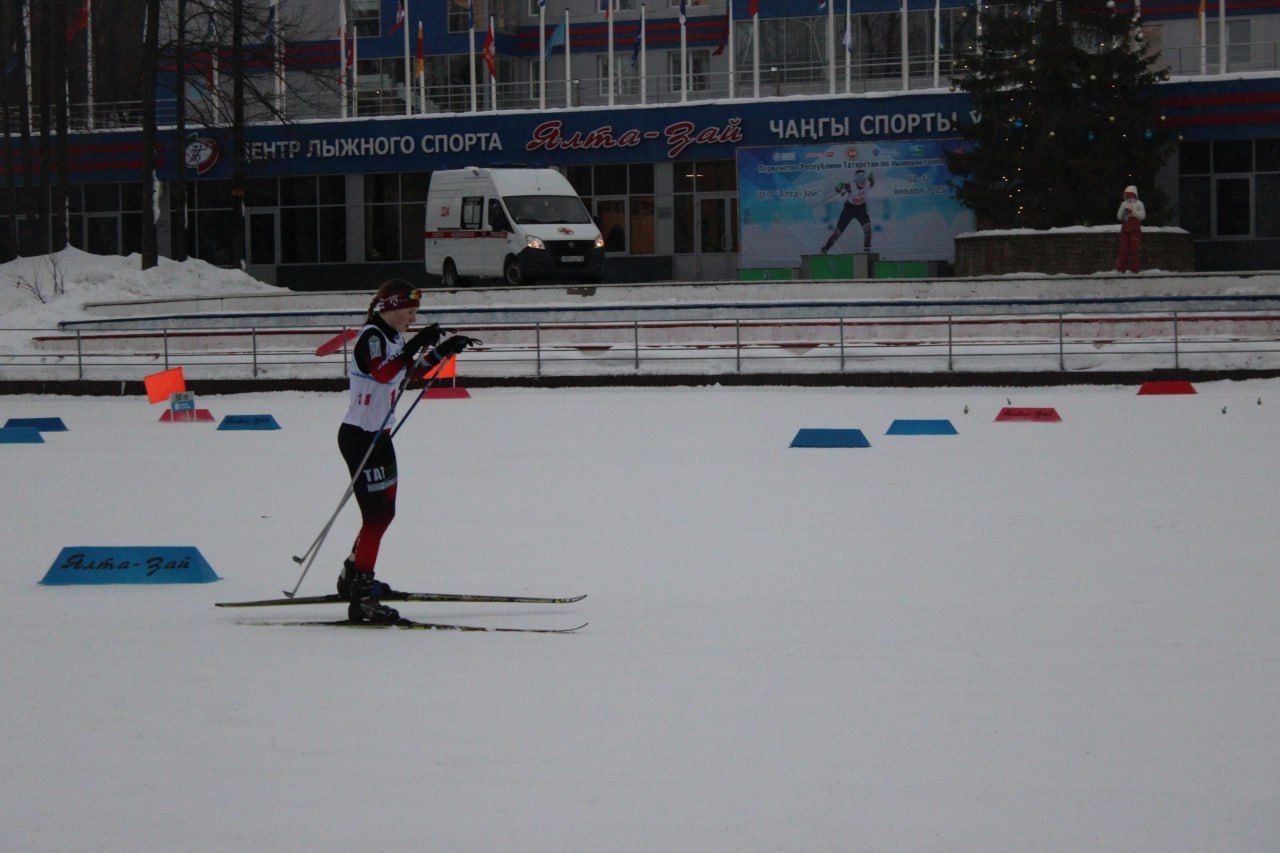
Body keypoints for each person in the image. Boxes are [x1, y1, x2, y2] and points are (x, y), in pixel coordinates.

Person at [336, 279, 479, 622]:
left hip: (379, 436)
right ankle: (362, 596)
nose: (413, 319)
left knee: (384, 513)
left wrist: (442, 351)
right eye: (409, 312)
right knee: (377, 517)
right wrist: (416, 343)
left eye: (416, 313)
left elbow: (407, 374)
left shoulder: (393, 338)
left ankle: (354, 576)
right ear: (391, 308)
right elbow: (384, 373)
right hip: (360, 437)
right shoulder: (372, 336)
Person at [820, 168, 875, 254]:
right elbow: (839, 188)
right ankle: (825, 249)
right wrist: (839, 188)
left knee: (867, 228)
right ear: (856, 180)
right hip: (849, 209)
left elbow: (871, 181)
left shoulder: (868, 183)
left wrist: (872, 176)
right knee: (838, 232)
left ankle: (867, 249)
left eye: (863, 180)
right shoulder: (851, 185)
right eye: (860, 180)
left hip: (861, 209)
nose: (862, 183)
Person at [1116, 185, 1146, 273]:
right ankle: (1121, 269)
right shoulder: (1124, 204)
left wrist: (1133, 212)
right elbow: (1119, 216)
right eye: (1127, 195)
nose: (1129, 197)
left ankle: (1135, 269)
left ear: (1135, 195)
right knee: (1123, 250)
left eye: (1131, 195)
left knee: (1134, 249)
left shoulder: (1139, 204)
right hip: (1125, 229)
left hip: (1135, 229)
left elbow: (1142, 216)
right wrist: (1125, 213)